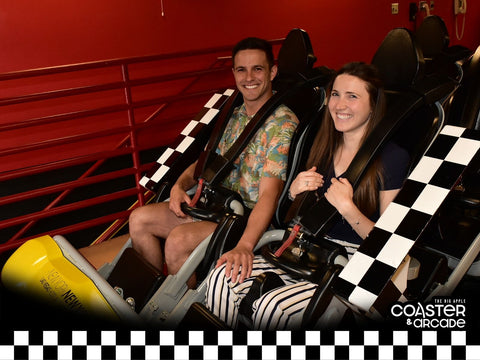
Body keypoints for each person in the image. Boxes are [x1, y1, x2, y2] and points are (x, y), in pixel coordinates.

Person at [205, 62, 410, 330]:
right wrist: (293, 194)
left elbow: (391, 246)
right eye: (335, 94)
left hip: (352, 262)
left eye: (353, 96)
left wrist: (349, 208)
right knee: (222, 276)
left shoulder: (392, 157)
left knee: (273, 307)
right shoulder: (324, 146)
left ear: (373, 105)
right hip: (307, 250)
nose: (339, 104)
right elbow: (291, 218)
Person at [128, 37, 299, 287]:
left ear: (272, 72)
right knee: (139, 219)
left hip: (245, 219)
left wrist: (245, 246)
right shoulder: (235, 114)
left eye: (258, 69)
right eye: (242, 69)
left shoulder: (282, 123)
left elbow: (268, 197)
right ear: (234, 73)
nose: (249, 77)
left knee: (178, 240)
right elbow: (205, 161)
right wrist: (179, 185)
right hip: (217, 207)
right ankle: (148, 297)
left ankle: (184, 308)